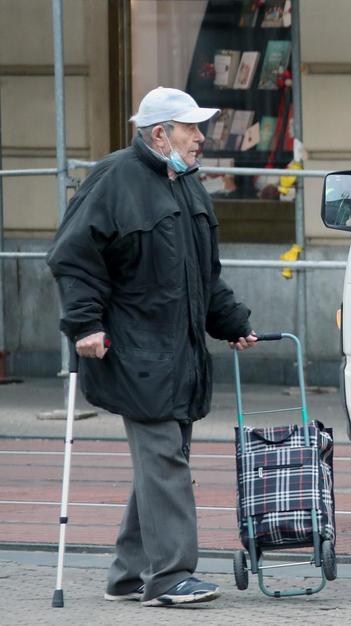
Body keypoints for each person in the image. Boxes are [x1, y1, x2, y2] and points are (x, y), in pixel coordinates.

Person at [46, 87, 258, 607]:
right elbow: (72, 256)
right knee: (165, 459)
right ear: (160, 132)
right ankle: (169, 577)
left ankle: (127, 574)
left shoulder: (187, 185)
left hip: (179, 354)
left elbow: (205, 275)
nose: (201, 138)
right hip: (132, 352)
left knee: (164, 460)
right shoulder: (115, 177)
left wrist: (230, 322)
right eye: (191, 128)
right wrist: (84, 324)